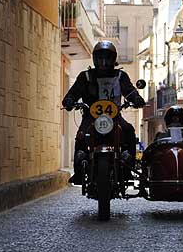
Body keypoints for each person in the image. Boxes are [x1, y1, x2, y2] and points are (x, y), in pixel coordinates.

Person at [62, 40, 146, 184]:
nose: (103, 62)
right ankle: (79, 172)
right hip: (90, 117)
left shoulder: (120, 76)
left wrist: (137, 98)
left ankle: (128, 169)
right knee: (81, 136)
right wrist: (69, 100)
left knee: (129, 131)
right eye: (100, 58)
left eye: (107, 58)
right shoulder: (86, 76)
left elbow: (129, 90)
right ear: (95, 59)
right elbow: (73, 92)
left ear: (113, 59)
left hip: (114, 117)